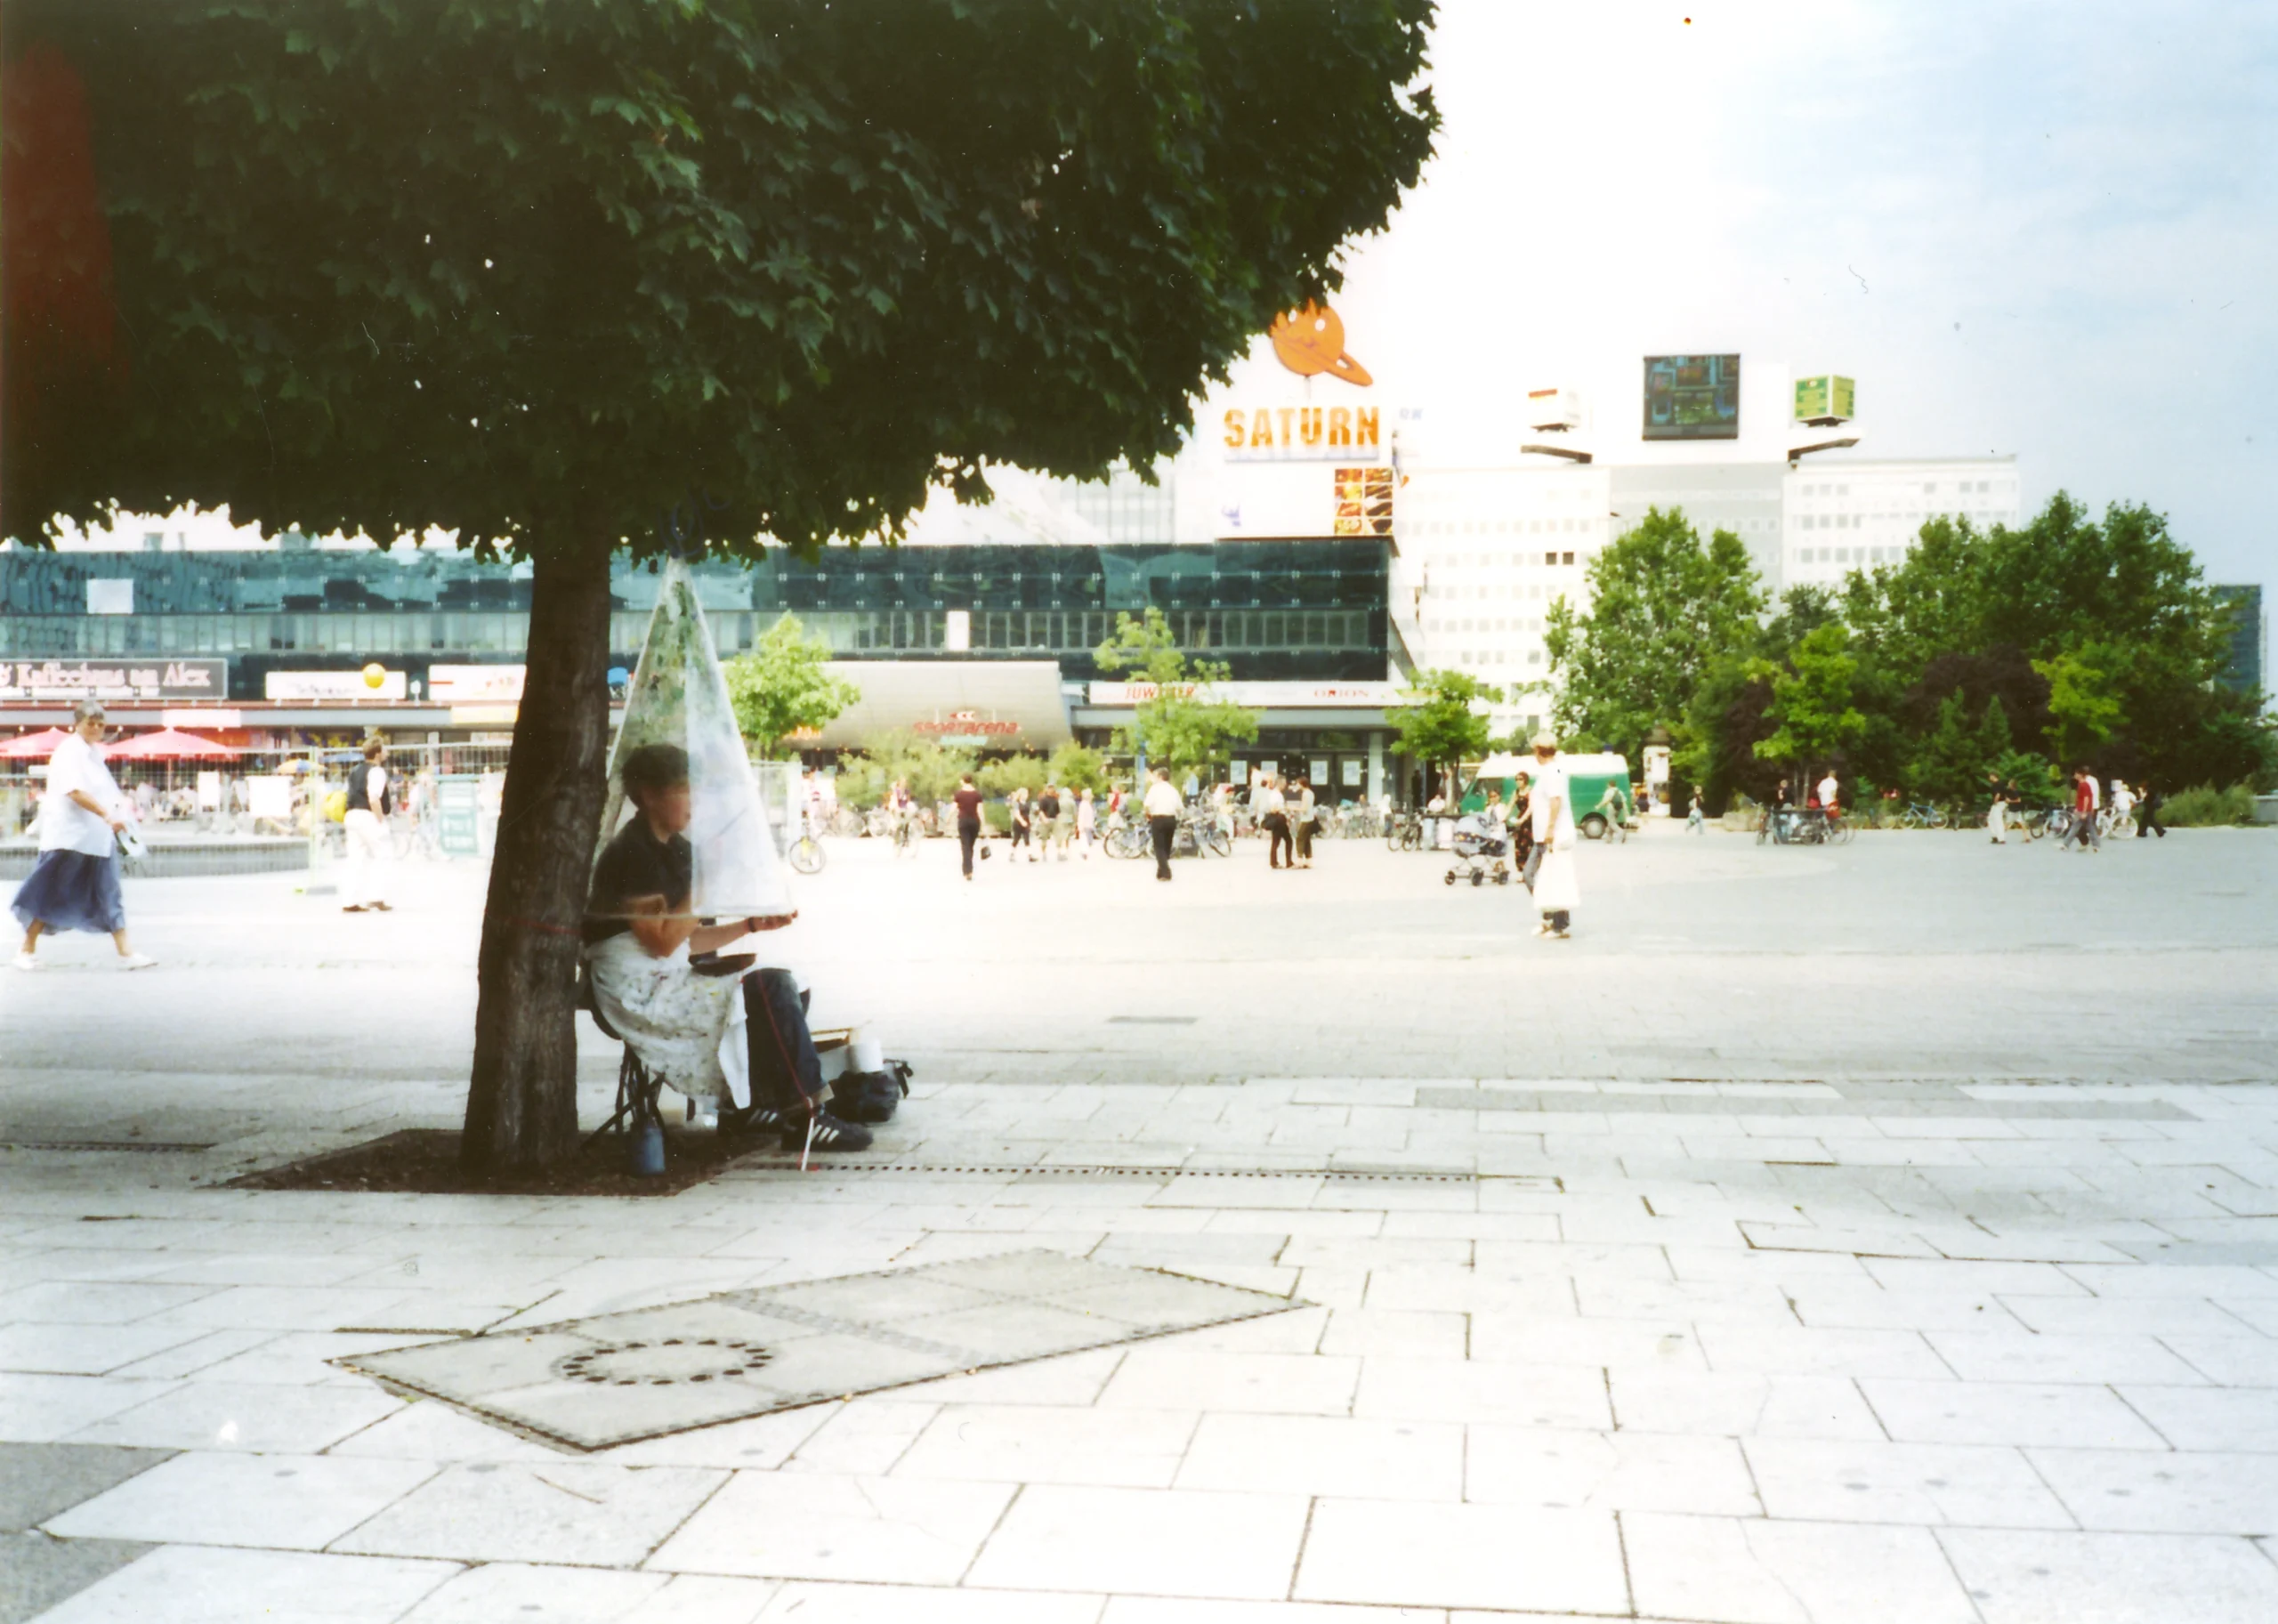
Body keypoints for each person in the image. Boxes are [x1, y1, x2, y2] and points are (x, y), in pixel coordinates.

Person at [584, 743, 869, 1151]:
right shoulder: (631, 854)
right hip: (637, 990)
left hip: (664, 974)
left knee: (791, 986)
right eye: (684, 790)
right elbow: (662, 942)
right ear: (648, 795)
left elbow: (683, 939)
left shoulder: (676, 850)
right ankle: (805, 1115)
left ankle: (750, 1104)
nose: (694, 802)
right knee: (769, 988)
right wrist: (705, 882)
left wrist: (749, 926)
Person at [12, 700, 157, 971]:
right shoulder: (70, 752)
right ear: (77, 723)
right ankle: (26, 949)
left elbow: (103, 792)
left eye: (101, 724)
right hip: (70, 839)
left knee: (109, 893)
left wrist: (118, 815)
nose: (97, 728)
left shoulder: (93, 753)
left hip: (96, 838)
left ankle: (126, 953)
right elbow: (75, 791)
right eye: (91, 723)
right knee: (50, 892)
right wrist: (107, 815)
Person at [1524, 731, 1578, 937]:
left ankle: (1558, 922)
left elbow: (1556, 801)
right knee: (1541, 877)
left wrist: (1550, 828)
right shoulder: (1552, 770)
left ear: (1539, 751)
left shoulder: (1552, 772)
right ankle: (1550, 917)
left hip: (1551, 836)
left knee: (1548, 877)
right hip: (1543, 835)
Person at [340, 739, 393, 913]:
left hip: (352, 814)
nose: (386, 752)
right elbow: (374, 797)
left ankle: (349, 900)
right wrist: (380, 819)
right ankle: (376, 896)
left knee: (355, 858)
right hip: (368, 815)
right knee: (383, 853)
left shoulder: (355, 770)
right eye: (384, 749)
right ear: (377, 753)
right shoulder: (377, 771)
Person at [1143, 767, 1181, 881]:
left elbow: (1147, 805)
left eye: (1155, 776)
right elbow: (1179, 807)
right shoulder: (1173, 790)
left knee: (1159, 847)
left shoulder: (1154, 789)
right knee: (1167, 846)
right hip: (1171, 819)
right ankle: (1161, 872)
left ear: (1160, 777)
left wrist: (1148, 815)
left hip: (1158, 818)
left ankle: (1166, 872)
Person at [953, 772, 983, 879]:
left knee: (965, 846)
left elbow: (953, 808)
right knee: (970, 846)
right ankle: (969, 870)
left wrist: (947, 819)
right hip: (975, 822)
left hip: (963, 821)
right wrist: (983, 824)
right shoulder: (977, 794)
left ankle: (967, 871)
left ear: (963, 781)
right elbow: (980, 811)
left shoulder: (959, 794)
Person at [1258, 774, 1291, 869]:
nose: (1285, 785)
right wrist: (1284, 808)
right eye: (1284, 783)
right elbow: (1273, 809)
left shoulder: (1277, 794)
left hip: (1280, 818)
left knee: (1279, 841)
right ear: (1280, 783)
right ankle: (1284, 862)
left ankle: (1276, 862)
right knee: (1284, 840)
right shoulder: (1275, 794)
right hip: (1279, 818)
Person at [2070, 766, 2101, 852]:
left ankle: (2086, 843)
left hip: (2088, 807)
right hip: (2093, 806)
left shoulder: (2086, 782)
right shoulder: (2093, 780)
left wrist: (2086, 809)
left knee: (2082, 827)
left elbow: (2089, 796)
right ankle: (2094, 844)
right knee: (2089, 827)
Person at [1292, 776, 1317, 869]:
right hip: (1310, 818)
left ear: (1302, 784)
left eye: (1298, 784)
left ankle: (1299, 861)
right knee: (1306, 840)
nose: (1297, 785)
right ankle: (1308, 860)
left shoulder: (1305, 794)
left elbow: (1304, 808)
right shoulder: (1310, 793)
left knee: (1300, 838)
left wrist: (1293, 808)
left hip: (1305, 819)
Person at [1036, 783, 1064, 861]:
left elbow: (1058, 812)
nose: (1051, 789)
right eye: (1049, 788)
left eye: (1052, 788)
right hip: (1045, 820)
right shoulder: (1043, 799)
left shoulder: (1055, 800)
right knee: (1044, 838)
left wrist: (1059, 820)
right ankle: (1043, 853)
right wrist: (1044, 819)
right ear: (1047, 789)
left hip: (1054, 820)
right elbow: (1041, 811)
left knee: (1058, 837)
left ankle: (1059, 853)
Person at [1008, 786, 1034, 860]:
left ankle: (1030, 855)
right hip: (1018, 823)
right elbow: (1016, 814)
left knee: (1027, 839)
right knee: (1016, 839)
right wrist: (1022, 821)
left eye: (1027, 794)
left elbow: (1030, 813)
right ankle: (1012, 853)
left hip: (1026, 822)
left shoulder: (1028, 803)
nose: (1026, 796)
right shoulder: (1016, 803)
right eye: (1024, 794)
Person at [1986, 769, 2008, 844]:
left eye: (1990, 776)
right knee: (1990, 819)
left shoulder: (1997, 784)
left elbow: (1998, 794)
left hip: (1999, 803)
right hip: (2000, 803)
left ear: (1993, 776)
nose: (1989, 778)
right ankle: (1995, 835)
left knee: (1998, 820)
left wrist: (1995, 801)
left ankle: (2001, 838)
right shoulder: (2000, 784)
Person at [1075, 786, 1097, 858]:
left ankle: (1085, 852)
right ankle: (1084, 852)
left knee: (1087, 839)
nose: (1092, 796)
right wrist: (1080, 826)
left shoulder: (1088, 804)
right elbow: (1081, 816)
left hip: (1088, 825)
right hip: (1085, 825)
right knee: (1084, 839)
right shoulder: (1084, 804)